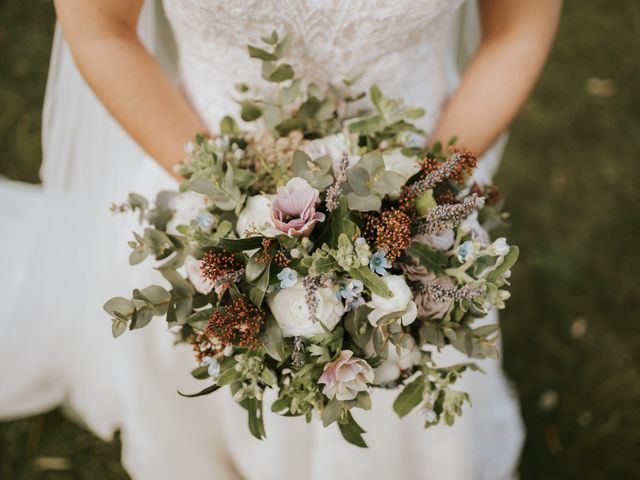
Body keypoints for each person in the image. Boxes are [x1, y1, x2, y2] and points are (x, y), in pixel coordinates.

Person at [0, 1, 562, 478]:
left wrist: (419, 194)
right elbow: (102, 30)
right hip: (206, 184)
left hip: (414, 194)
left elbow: (517, 30)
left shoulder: (416, 202)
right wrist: (223, 192)